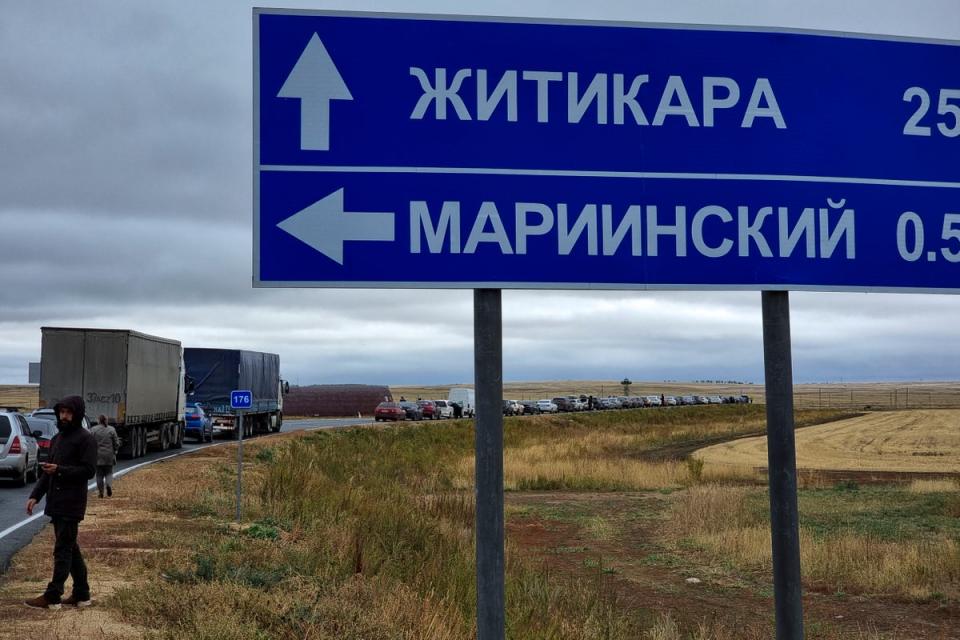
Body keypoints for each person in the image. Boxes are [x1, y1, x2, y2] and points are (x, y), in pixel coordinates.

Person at [24, 395, 97, 610]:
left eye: (68, 412)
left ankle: (53, 596)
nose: (64, 416)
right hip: (56, 503)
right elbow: (47, 474)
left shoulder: (86, 439)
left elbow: (89, 471)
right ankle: (82, 595)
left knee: (63, 550)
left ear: (77, 414)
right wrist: (35, 496)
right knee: (71, 549)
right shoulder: (57, 439)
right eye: (62, 412)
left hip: (72, 503)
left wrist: (60, 471)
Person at [91, 415, 119, 498]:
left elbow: (90, 441)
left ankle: (101, 493)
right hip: (109, 454)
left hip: (97, 455)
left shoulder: (93, 430)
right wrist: (115, 450)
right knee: (109, 472)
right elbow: (116, 443)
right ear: (106, 420)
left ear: (98, 420)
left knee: (99, 474)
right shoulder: (111, 429)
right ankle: (108, 485)